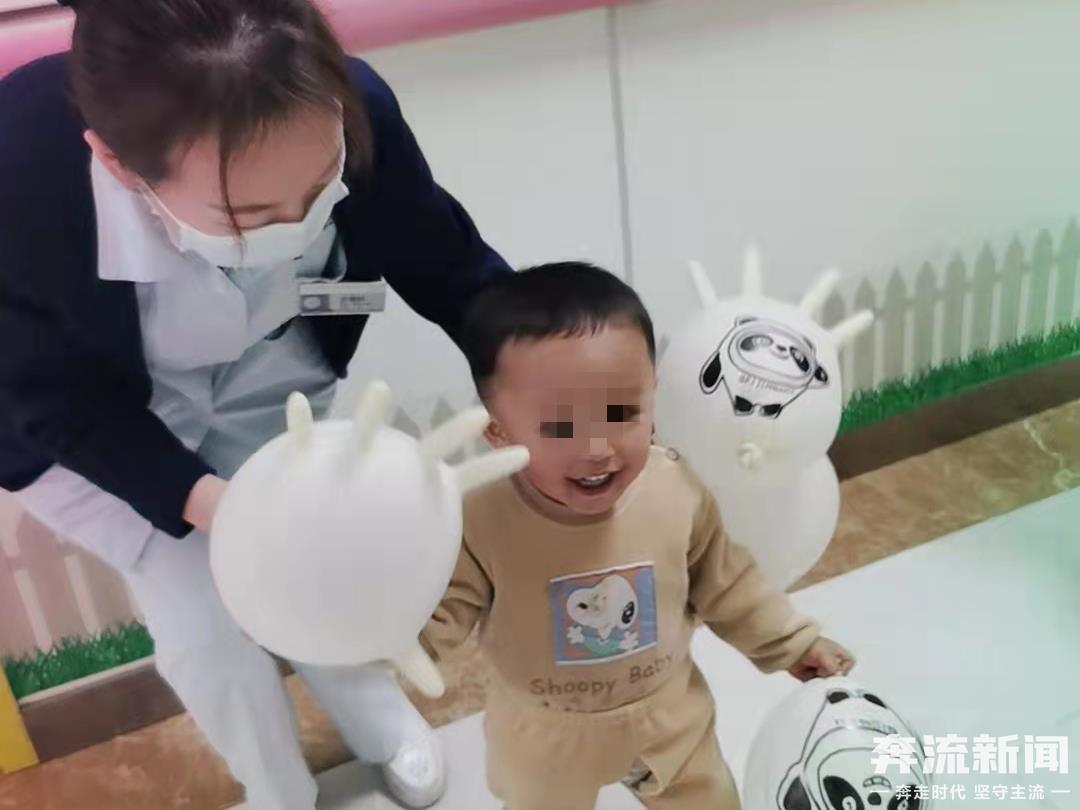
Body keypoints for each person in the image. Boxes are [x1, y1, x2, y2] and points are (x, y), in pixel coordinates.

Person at [0, 1, 512, 807]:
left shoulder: (359, 105)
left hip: (267, 364)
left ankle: (382, 721)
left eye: (319, 186)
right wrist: (207, 502)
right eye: (248, 216)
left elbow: (444, 257)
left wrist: (525, 366)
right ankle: (276, 788)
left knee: (321, 562)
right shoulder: (19, 169)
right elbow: (46, 392)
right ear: (118, 164)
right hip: (95, 417)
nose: (299, 223)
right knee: (205, 629)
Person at [421, 263, 856, 809]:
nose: (597, 448)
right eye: (561, 426)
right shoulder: (482, 517)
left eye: (621, 412)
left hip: (668, 712)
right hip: (544, 732)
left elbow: (727, 582)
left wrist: (791, 642)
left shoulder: (674, 489)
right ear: (498, 432)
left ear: (653, 398)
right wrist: (395, 639)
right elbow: (442, 608)